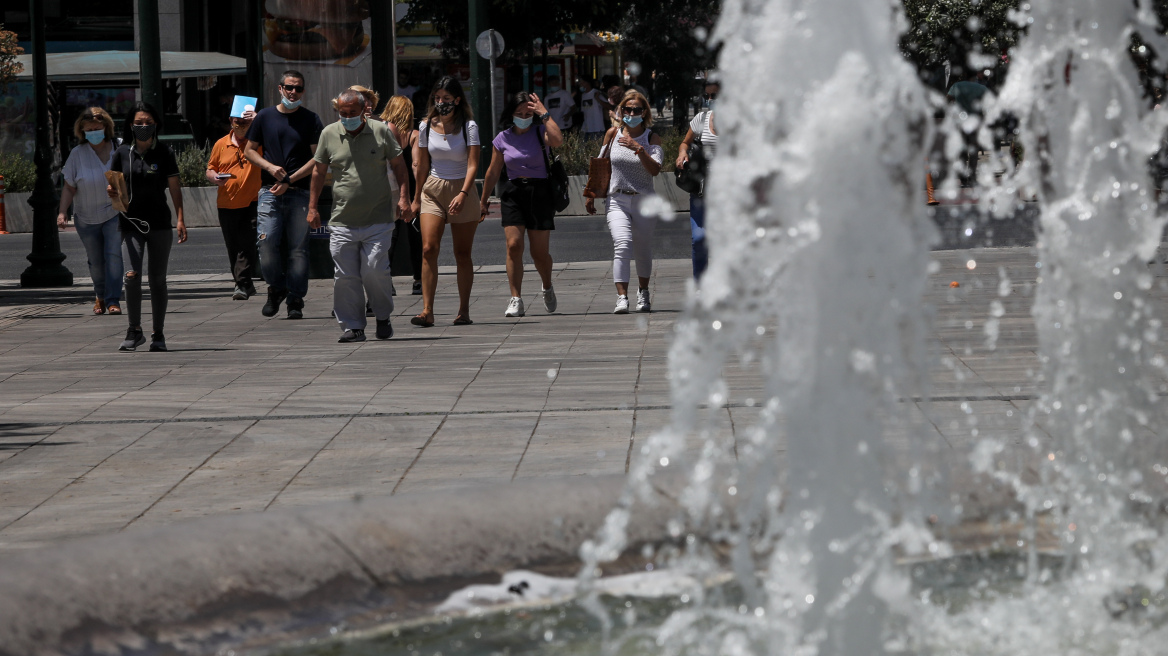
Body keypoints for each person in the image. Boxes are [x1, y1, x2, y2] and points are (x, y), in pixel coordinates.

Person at [309, 88, 414, 343]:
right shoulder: (329, 134)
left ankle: (382, 315)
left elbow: (400, 166)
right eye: (343, 113)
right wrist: (312, 207)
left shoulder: (381, 131)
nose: (347, 117)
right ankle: (353, 326)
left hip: (378, 217)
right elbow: (318, 172)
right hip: (342, 219)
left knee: (374, 270)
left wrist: (404, 198)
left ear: (363, 111)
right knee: (345, 277)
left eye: (352, 112)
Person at [106, 102, 188, 352]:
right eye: (138, 123)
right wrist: (111, 191)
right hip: (130, 223)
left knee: (157, 280)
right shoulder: (122, 153)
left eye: (148, 123)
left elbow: (174, 188)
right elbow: (113, 184)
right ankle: (134, 330)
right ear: (130, 126)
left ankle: (158, 333)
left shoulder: (165, 152)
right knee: (131, 276)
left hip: (159, 223)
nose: (143, 127)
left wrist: (180, 218)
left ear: (156, 125)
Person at [244, 70, 324, 320]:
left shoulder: (311, 119)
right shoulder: (265, 116)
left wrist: (290, 180)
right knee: (266, 243)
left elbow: (319, 158)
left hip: (299, 191)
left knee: (298, 249)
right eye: (289, 87)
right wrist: (269, 167)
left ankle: (295, 299)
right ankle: (277, 287)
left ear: (303, 91)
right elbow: (249, 151)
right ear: (280, 88)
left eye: (298, 88)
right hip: (269, 191)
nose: (293, 92)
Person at [479, 92, 563, 318]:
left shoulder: (540, 131)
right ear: (511, 114)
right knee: (514, 245)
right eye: (519, 113)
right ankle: (516, 298)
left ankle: (547, 285)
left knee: (539, 253)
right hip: (513, 192)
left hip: (540, 192)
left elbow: (558, 140)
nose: (524, 118)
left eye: (528, 114)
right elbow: (493, 171)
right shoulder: (503, 138)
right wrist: (483, 199)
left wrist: (544, 113)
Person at [584, 90, 664, 314]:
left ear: (644, 112)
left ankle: (643, 292)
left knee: (642, 248)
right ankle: (622, 297)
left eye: (636, 110)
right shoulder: (612, 134)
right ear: (621, 111)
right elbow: (601, 164)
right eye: (626, 109)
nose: (631, 113)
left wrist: (638, 149)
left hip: (644, 201)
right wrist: (591, 194)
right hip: (617, 198)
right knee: (622, 243)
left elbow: (655, 169)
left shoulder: (651, 138)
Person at [411, 76, 482, 327]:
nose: (441, 102)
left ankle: (463, 311)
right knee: (429, 248)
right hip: (433, 188)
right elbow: (422, 165)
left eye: (447, 98)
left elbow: (473, 164)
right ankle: (427, 311)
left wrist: (463, 193)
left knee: (462, 253)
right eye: (438, 98)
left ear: (457, 100)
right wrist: (416, 198)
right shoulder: (425, 126)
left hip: (461, 187)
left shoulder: (469, 127)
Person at [58, 107, 122, 316]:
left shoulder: (119, 148)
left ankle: (113, 300)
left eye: (97, 128)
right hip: (86, 217)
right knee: (96, 261)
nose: (94, 132)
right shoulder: (77, 154)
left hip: (114, 213)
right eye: (89, 130)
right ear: (82, 131)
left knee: (113, 255)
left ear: (106, 127)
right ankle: (100, 295)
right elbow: (69, 187)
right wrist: (62, 212)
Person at [206, 107, 261, 300]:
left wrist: (258, 120)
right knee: (233, 246)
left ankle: (241, 284)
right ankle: (245, 284)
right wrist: (214, 177)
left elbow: (273, 134)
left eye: (246, 122)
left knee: (247, 243)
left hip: (252, 201)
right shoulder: (221, 144)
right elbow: (210, 169)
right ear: (231, 121)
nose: (241, 125)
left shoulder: (258, 142)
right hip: (227, 203)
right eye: (238, 121)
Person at [676, 80, 719, 280]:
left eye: (714, 96)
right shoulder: (701, 119)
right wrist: (682, 154)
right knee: (699, 238)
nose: (710, 100)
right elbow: (685, 143)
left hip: (729, 190)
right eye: (707, 96)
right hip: (702, 187)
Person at [381, 95, 423, 295]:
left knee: (390, 236)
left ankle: (386, 279)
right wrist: (417, 196)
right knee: (416, 236)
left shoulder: (382, 131)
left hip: (390, 189)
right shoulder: (414, 135)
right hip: (411, 189)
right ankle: (419, 280)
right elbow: (416, 165)